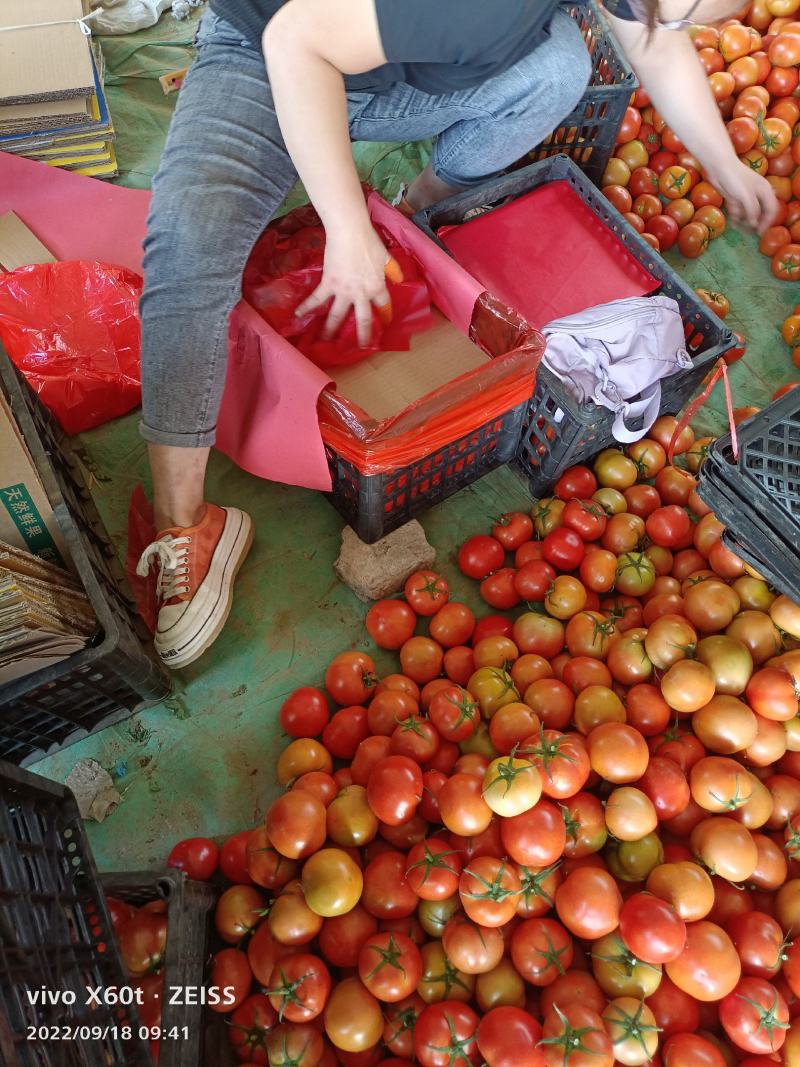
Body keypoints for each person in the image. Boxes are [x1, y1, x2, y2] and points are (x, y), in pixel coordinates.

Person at [136, 0, 778, 669]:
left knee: (558, 64)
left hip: (384, 57)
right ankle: (186, 519)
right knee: (187, 248)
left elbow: (655, 37)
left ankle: (417, 212)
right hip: (265, 52)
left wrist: (725, 166)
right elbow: (298, 40)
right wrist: (348, 228)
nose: (698, 24)